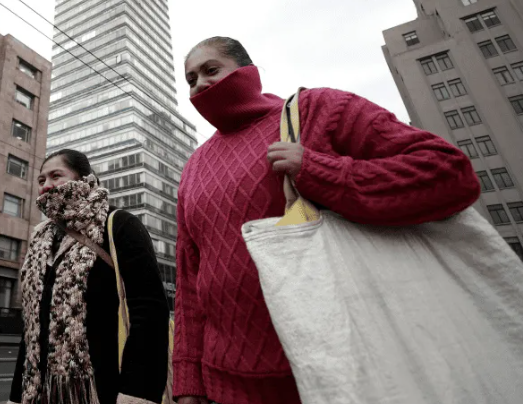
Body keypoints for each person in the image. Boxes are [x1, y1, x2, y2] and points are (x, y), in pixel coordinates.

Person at [173, 37, 481, 404]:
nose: (201, 85)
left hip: (340, 374)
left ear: (247, 72)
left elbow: (449, 173)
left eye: (211, 70)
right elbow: (189, 283)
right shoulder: (193, 170)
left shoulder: (317, 110)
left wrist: (318, 171)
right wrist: (188, 380)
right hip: (227, 385)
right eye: (191, 79)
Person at [8, 149, 169, 404]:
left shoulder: (119, 225)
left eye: (55, 176)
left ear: (84, 178)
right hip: (42, 393)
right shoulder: (40, 241)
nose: (46, 185)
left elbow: (149, 311)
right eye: (41, 180)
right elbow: (32, 329)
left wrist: (137, 393)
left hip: (107, 390)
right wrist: (17, 396)